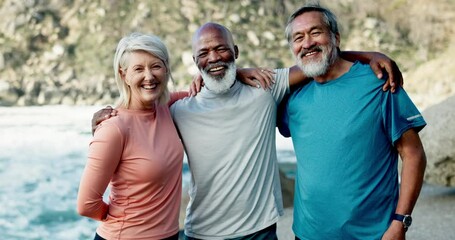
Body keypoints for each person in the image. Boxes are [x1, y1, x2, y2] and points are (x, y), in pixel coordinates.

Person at [92, 24, 402, 239]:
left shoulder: (265, 88)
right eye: (205, 53)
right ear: (195, 61)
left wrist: (370, 55)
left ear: (235, 51)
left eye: (222, 49)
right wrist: (105, 116)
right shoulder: (179, 108)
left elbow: (317, 61)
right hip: (202, 232)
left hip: (260, 231)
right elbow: (140, 111)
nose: (214, 57)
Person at [278, 3, 427, 240]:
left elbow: (413, 154)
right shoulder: (292, 98)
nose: (307, 43)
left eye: (315, 32)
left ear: (335, 38)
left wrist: (400, 221)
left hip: (373, 234)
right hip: (307, 234)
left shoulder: (379, 82)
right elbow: (248, 87)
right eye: (298, 37)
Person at [77, 32, 189, 240]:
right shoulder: (113, 128)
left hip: (169, 236)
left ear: (166, 69)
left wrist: (239, 72)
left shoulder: (167, 107)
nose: (149, 76)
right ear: (123, 75)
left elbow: (206, 89)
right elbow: (86, 205)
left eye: (156, 66)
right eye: (138, 69)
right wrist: (125, 218)